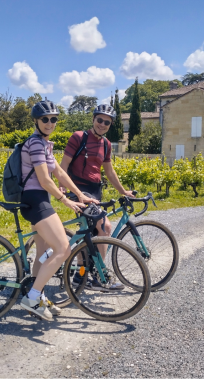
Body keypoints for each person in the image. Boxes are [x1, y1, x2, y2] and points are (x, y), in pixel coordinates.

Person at [19, 99, 98, 321]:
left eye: (53, 119)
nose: (50, 123)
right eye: (45, 119)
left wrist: (80, 194)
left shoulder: (45, 144)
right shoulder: (35, 143)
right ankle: (32, 298)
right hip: (36, 200)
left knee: (43, 254)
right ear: (36, 121)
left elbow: (60, 174)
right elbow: (44, 179)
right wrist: (66, 200)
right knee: (63, 248)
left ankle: (37, 296)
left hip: (37, 199)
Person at [59, 104, 134, 291]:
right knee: (105, 226)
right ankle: (100, 275)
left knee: (91, 234)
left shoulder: (106, 144)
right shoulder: (78, 137)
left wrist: (123, 191)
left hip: (94, 191)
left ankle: (80, 276)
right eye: (99, 120)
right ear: (93, 119)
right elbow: (64, 164)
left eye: (106, 122)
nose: (102, 124)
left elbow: (109, 171)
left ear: (111, 125)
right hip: (78, 189)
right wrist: (62, 187)